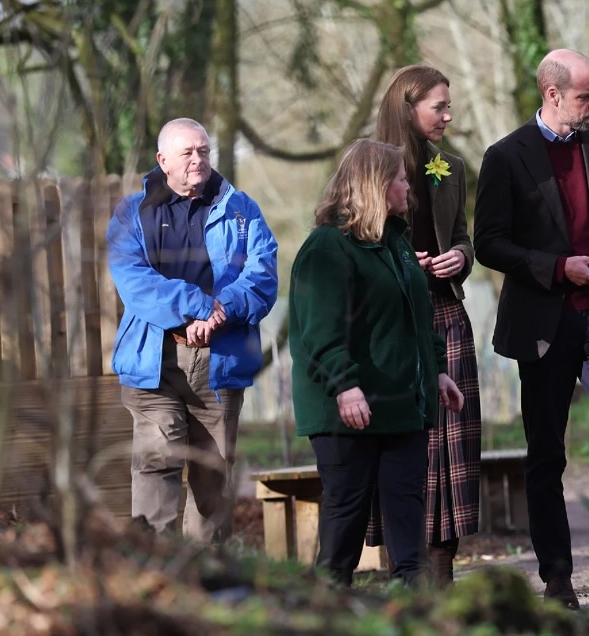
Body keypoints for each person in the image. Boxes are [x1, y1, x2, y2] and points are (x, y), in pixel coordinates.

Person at [474, 48, 589, 612]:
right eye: (586, 96)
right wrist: (559, 267)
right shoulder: (505, 157)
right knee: (545, 456)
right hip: (544, 324)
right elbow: (490, 243)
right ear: (552, 94)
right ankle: (557, 579)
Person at [289, 140, 464, 586]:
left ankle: (416, 601)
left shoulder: (397, 245)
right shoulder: (327, 248)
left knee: (407, 505)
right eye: (402, 179)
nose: (409, 187)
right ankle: (330, 607)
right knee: (345, 509)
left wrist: (437, 368)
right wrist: (345, 386)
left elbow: (415, 316)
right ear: (377, 185)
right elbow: (319, 330)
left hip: (400, 405)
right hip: (344, 410)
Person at [107, 118, 279, 542]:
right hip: (156, 358)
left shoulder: (242, 210)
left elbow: (263, 275)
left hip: (219, 363)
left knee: (213, 478)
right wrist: (200, 306)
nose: (198, 160)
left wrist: (221, 311)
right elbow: (135, 282)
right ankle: (156, 567)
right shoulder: (133, 213)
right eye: (187, 153)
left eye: (204, 151)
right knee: (158, 457)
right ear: (163, 159)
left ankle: (205, 579)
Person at [371, 64, 481, 589]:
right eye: (438, 106)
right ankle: (402, 577)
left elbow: (463, 236)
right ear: (406, 106)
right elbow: (344, 239)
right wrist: (398, 264)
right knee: (400, 444)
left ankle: (442, 577)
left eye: (448, 105)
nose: (448, 115)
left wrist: (460, 256)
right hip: (390, 324)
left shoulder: (451, 168)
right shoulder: (365, 163)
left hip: (445, 317)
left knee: (451, 447)